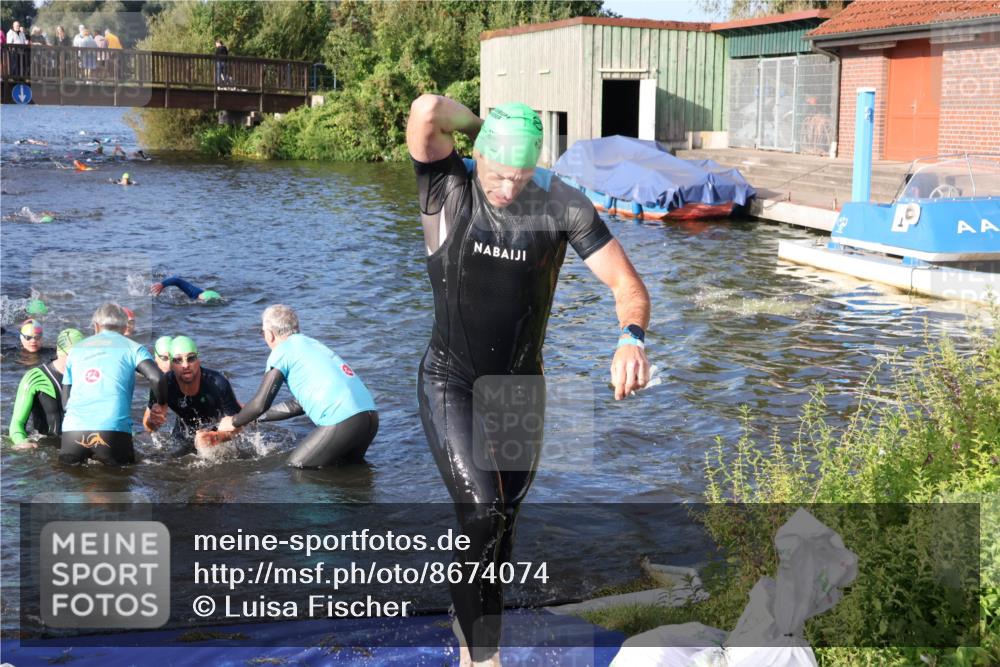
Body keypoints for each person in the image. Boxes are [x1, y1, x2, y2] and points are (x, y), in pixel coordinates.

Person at [406, 95, 651, 666]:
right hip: (451, 380)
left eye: (520, 177)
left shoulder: (563, 204)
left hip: (521, 387)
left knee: (502, 529)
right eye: (497, 173)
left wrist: (630, 339)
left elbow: (628, 286)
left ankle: (468, 612)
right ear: (477, 155)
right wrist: (481, 126)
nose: (507, 189)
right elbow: (424, 111)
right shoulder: (447, 186)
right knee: (481, 514)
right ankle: (481, 659)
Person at [216, 305, 378, 467]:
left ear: (270, 334)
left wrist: (234, 421)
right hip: (369, 416)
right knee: (350, 473)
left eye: (262, 332)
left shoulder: (281, 352)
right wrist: (252, 418)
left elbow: (260, 404)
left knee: (298, 467)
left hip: (343, 420)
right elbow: (297, 405)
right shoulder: (312, 344)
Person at [59, 303, 166, 466]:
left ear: (96, 326)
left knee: (71, 486)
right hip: (113, 431)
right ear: (124, 328)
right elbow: (157, 378)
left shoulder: (76, 350)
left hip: (72, 431)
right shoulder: (134, 348)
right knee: (119, 485)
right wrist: (158, 406)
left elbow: (66, 402)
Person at [142, 335, 241, 456]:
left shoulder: (217, 383)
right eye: (178, 360)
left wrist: (216, 437)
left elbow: (238, 426)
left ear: (199, 360)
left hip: (218, 431)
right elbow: (148, 427)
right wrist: (152, 421)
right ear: (171, 364)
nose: (185, 365)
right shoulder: (162, 385)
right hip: (183, 434)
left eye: (191, 358)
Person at [9, 329, 83, 449]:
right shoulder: (35, 378)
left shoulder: (88, 377)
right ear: (60, 352)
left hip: (78, 444)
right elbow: (17, 423)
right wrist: (20, 442)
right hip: (46, 444)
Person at [151, 275, 221, 302]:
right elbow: (176, 280)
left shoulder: (198, 297)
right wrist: (162, 284)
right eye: (202, 300)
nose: (201, 301)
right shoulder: (194, 293)